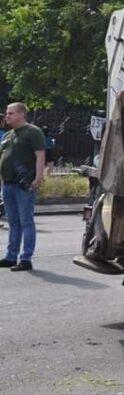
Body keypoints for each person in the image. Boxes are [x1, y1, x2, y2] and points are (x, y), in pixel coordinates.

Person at [0, 102, 47, 271]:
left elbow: (40, 155)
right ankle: (11, 257)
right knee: (13, 222)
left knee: (26, 221)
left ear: (21, 114)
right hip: (8, 184)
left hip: (24, 185)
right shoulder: (7, 135)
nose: (7, 116)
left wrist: (38, 178)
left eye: (10, 113)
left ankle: (26, 258)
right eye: (7, 113)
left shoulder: (33, 132)